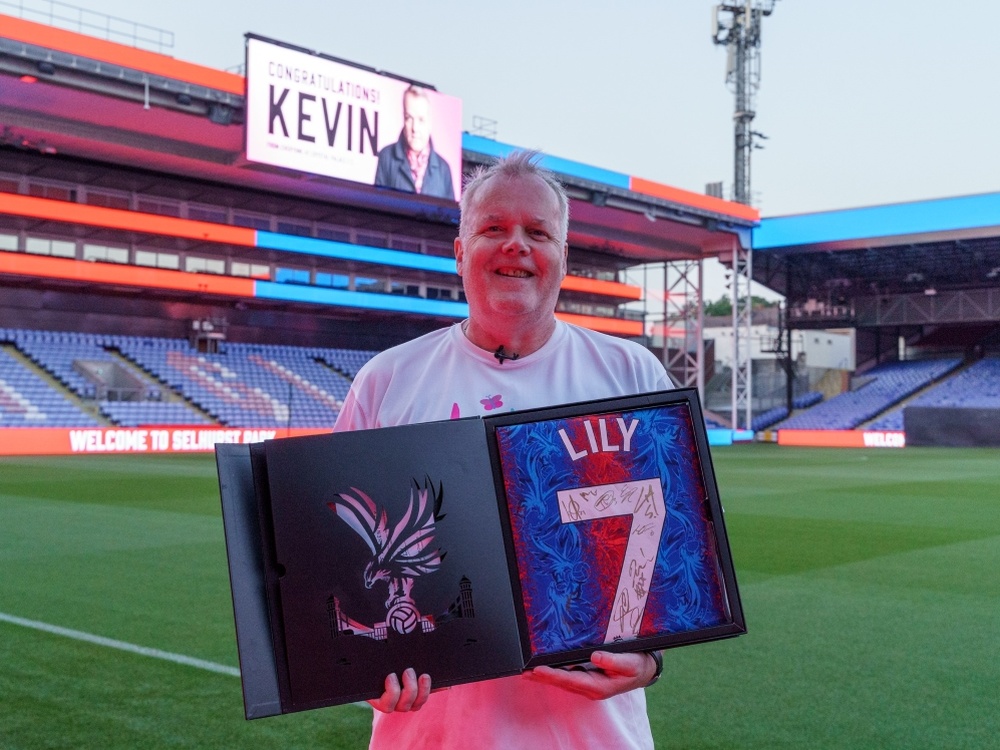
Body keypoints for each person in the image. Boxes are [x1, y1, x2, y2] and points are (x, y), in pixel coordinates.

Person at [335, 151, 671, 749]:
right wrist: (360, 665)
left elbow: (672, 561)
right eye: (494, 228)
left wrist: (650, 658)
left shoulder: (632, 375)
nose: (516, 245)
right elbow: (339, 566)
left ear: (562, 255)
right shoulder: (386, 382)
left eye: (537, 232)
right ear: (461, 251)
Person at [374, 86, 455, 200]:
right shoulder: (386, 156)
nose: (415, 128)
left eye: (421, 120)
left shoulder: (444, 169)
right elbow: (377, 204)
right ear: (403, 118)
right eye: (409, 118)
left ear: (429, 122)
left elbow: (450, 215)